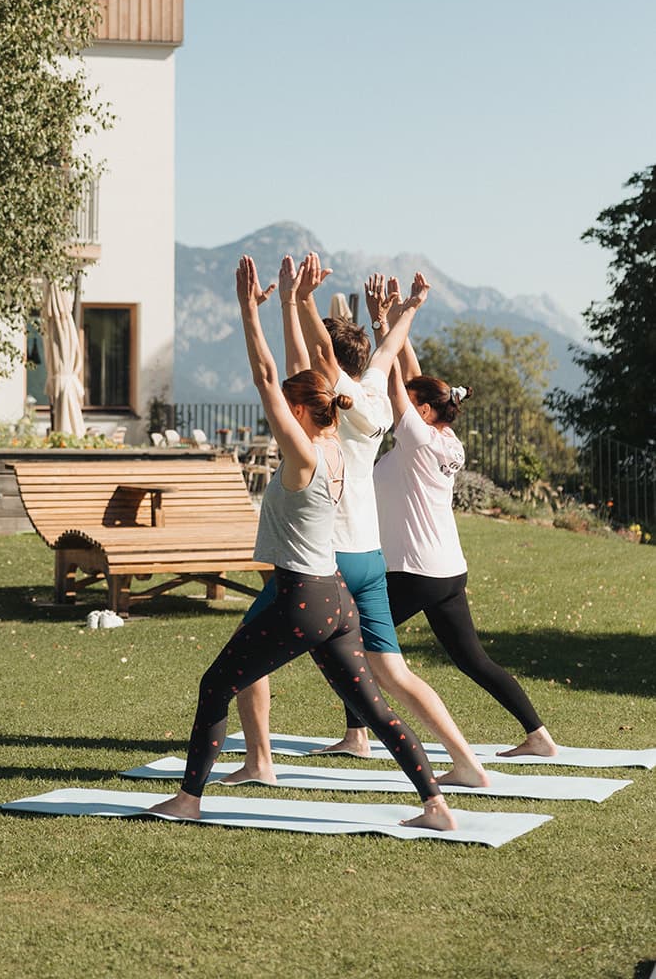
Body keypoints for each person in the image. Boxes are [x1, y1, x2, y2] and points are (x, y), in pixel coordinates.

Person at [148, 256, 456, 831]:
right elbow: (345, 364)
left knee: (217, 683)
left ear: (296, 411)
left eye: (285, 406)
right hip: (336, 598)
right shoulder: (343, 445)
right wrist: (304, 307)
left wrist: (248, 311)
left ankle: (189, 798)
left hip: (304, 596)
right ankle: (435, 804)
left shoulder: (304, 454)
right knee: (374, 708)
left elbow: (268, 376)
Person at [223, 256, 488, 789]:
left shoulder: (334, 405)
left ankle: (259, 762)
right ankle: (466, 762)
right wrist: (405, 309)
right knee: (392, 672)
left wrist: (297, 303)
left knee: (249, 653)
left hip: (328, 556)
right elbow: (386, 350)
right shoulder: (375, 397)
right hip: (370, 556)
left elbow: (308, 357)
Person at [376, 285, 557, 759]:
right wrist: (398, 319)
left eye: (414, 403)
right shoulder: (444, 437)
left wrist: (387, 325)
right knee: (472, 660)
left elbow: (397, 380)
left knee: (351, 639)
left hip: (416, 572)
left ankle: (358, 736)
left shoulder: (417, 437)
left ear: (425, 412)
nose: (404, 406)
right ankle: (538, 735)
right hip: (447, 570)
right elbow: (413, 378)